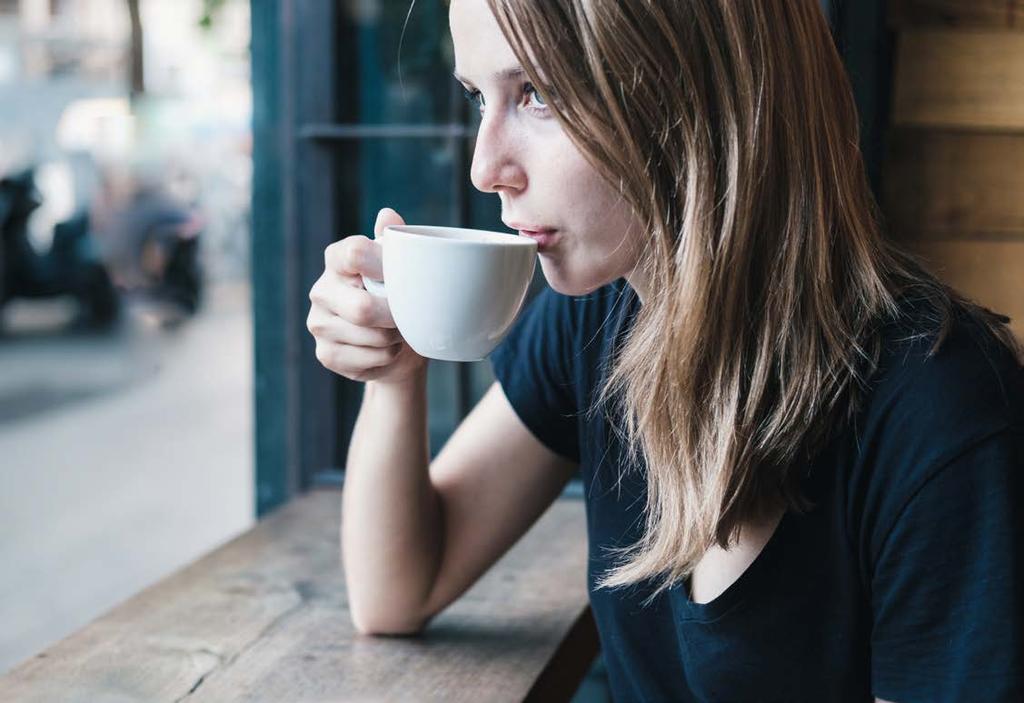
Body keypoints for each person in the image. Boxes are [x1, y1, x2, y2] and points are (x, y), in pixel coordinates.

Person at [306, 1, 1024, 700]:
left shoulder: (943, 412)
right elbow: (396, 590)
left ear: (693, 92)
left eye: (539, 95)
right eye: (476, 98)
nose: (484, 167)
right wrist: (396, 378)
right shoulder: (593, 319)